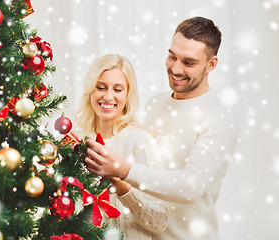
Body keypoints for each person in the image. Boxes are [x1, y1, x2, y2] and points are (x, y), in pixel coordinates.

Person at [84, 17, 239, 240]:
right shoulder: (155, 104)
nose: (176, 68)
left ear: (211, 65)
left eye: (189, 62)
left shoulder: (220, 116)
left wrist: (123, 169)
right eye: (172, 56)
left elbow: (191, 187)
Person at [75, 54, 169, 239]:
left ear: (128, 94)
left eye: (118, 89)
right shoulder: (79, 142)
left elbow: (160, 221)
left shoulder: (141, 141)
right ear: (90, 90)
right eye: (100, 87)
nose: (108, 96)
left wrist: (121, 187)